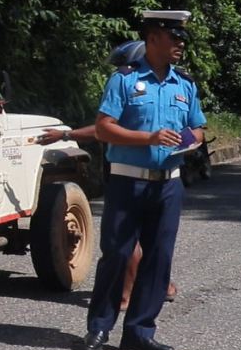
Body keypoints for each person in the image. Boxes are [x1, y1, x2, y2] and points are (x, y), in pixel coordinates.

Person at [81, 10, 205, 350]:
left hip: (168, 185)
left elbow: (198, 128)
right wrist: (148, 138)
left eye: (182, 38)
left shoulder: (185, 83)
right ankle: (99, 327)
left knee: (158, 258)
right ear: (152, 39)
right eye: (173, 37)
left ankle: (139, 331)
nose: (180, 43)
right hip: (127, 181)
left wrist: (189, 140)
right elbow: (105, 128)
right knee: (118, 255)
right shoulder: (124, 80)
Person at [37, 39, 178, 308]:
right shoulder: (147, 89)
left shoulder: (140, 88)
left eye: (126, 65)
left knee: (129, 239)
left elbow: (102, 130)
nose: (123, 70)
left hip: (127, 173)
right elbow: (104, 129)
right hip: (147, 174)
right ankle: (160, 286)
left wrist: (66, 133)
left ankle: (125, 296)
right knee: (150, 237)